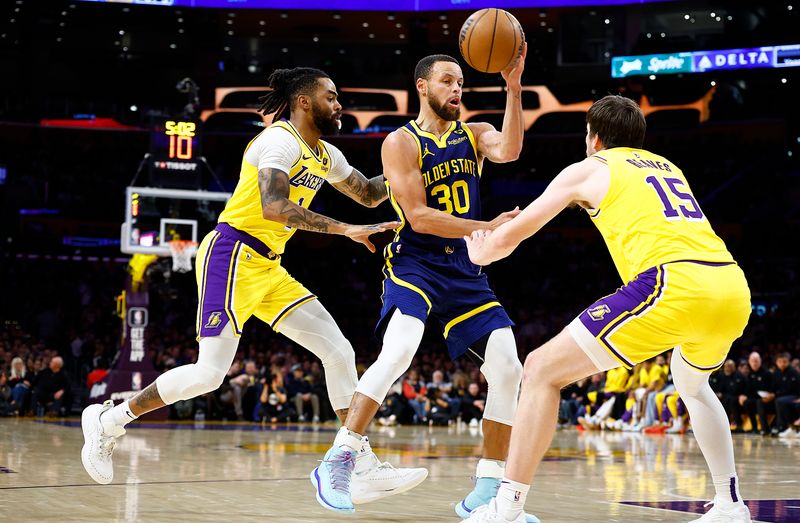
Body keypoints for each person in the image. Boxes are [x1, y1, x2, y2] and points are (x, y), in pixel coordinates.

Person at [81, 67, 426, 503]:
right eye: (332, 97)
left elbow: (371, 192)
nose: (340, 105)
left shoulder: (326, 155)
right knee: (210, 374)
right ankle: (109, 420)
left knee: (338, 350)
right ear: (304, 101)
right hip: (231, 253)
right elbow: (274, 206)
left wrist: (420, 160)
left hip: (269, 266)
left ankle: (354, 460)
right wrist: (344, 230)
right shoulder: (278, 140)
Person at [462, 95, 752, 522]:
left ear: (593, 137)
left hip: (673, 283)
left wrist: (481, 252)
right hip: (731, 285)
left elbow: (510, 238)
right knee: (692, 385)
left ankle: (506, 508)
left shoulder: (589, 167)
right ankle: (730, 506)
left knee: (541, 370)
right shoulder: (668, 166)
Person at [312, 48, 541, 523]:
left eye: (461, 83)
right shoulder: (400, 142)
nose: (457, 89)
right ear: (422, 86)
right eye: (447, 82)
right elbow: (417, 216)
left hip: (464, 269)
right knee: (399, 351)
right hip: (414, 262)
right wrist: (487, 225)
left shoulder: (475, 134)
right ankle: (340, 457)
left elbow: (511, 150)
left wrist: (514, 89)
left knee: (508, 367)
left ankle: (488, 485)